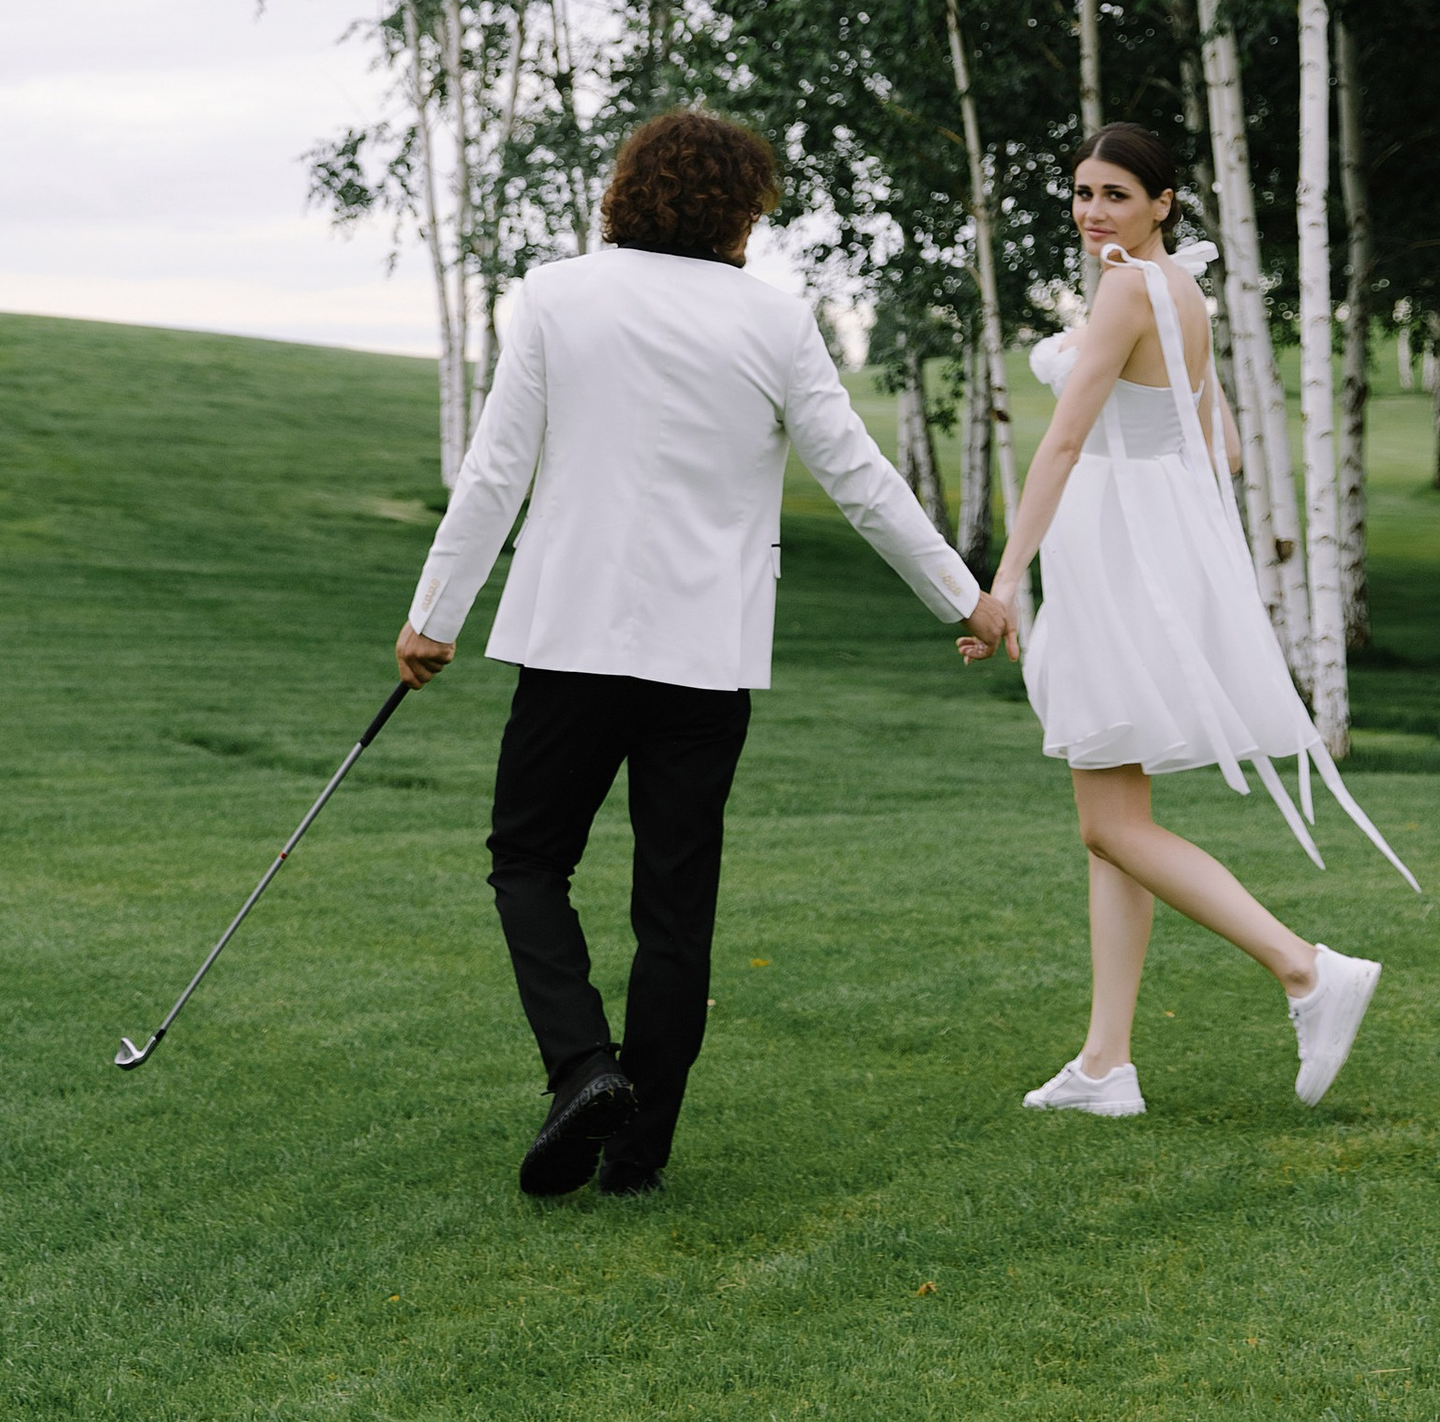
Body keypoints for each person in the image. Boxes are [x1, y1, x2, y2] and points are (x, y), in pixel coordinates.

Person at [395, 109, 1014, 1200]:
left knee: (529, 860)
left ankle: (584, 1065)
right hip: (704, 658)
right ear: (743, 210)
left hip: (572, 640)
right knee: (674, 906)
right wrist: (966, 599)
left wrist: (434, 615)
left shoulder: (555, 295)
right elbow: (861, 480)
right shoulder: (773, 323)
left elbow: (497, 470)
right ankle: (638, 1151)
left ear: (623, 194)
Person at [973, 121, 1418, 1121]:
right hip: (1145, 548)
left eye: (1115, 195)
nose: (1092, 211)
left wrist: (1004, 578)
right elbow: (1217, 452)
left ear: (1162, 202)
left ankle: (1304, 969)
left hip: (1114, 554)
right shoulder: (1180, 290)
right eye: (1082, 193)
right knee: (1113, 826)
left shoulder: (1127, 288)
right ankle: (1104, 1066)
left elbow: (1059, 446)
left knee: (1106, 819)